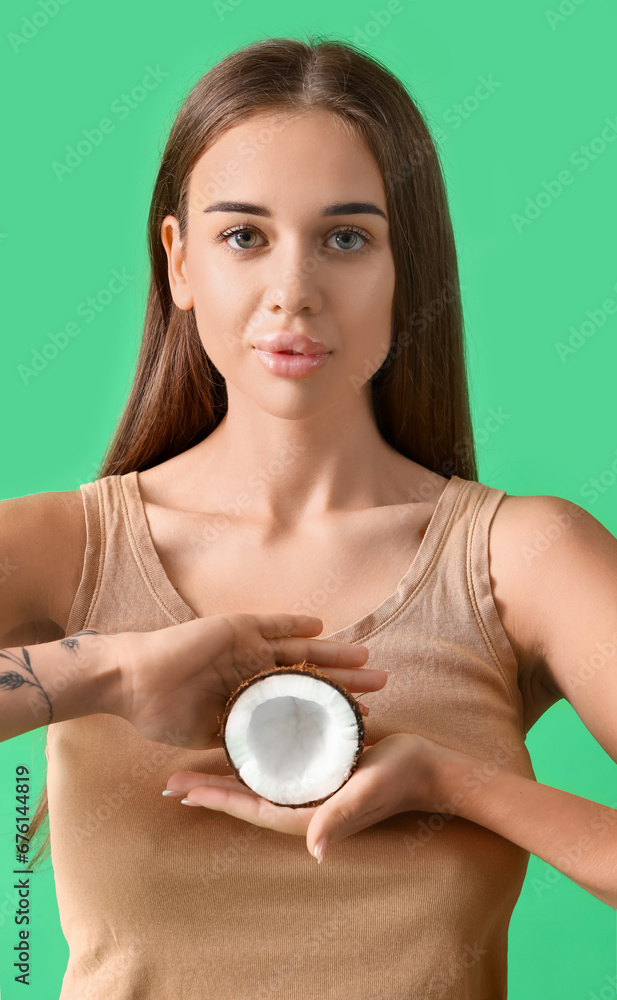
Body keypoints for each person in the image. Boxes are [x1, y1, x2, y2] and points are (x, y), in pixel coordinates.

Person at [1, 33, 616, 1000]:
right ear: (179, 261)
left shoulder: (522, 558)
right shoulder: (62, 550)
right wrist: (106, 672)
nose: (293, 291)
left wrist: (457, 787)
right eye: (243, 236)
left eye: (346, 237)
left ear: (405, 263)